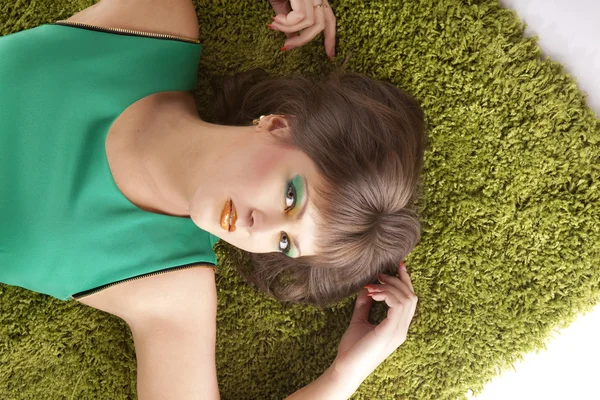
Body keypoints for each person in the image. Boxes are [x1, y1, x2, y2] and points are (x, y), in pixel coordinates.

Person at [0, 0, 426, 398]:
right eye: (291, 196)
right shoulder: (153, 28)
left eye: (285, 242)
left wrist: (341, 379)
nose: (259, 225)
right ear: (279, 125)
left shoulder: (169, 289)